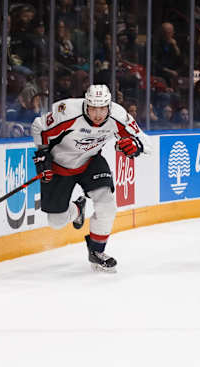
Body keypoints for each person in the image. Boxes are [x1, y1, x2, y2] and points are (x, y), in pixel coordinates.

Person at [31, 84, 150, 271]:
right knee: (56, 222)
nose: (97, 114)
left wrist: (136, 146)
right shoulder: (67, 111)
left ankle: (97, 251)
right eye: (93, 108)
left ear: (109, 106)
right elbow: (38, 126)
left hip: (90, 161)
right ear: (86, 104)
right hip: (59, 166)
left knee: (107, 204)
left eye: (102, 108)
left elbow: (145, 141)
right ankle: (78, 209)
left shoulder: (118, 116)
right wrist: (43, 154)